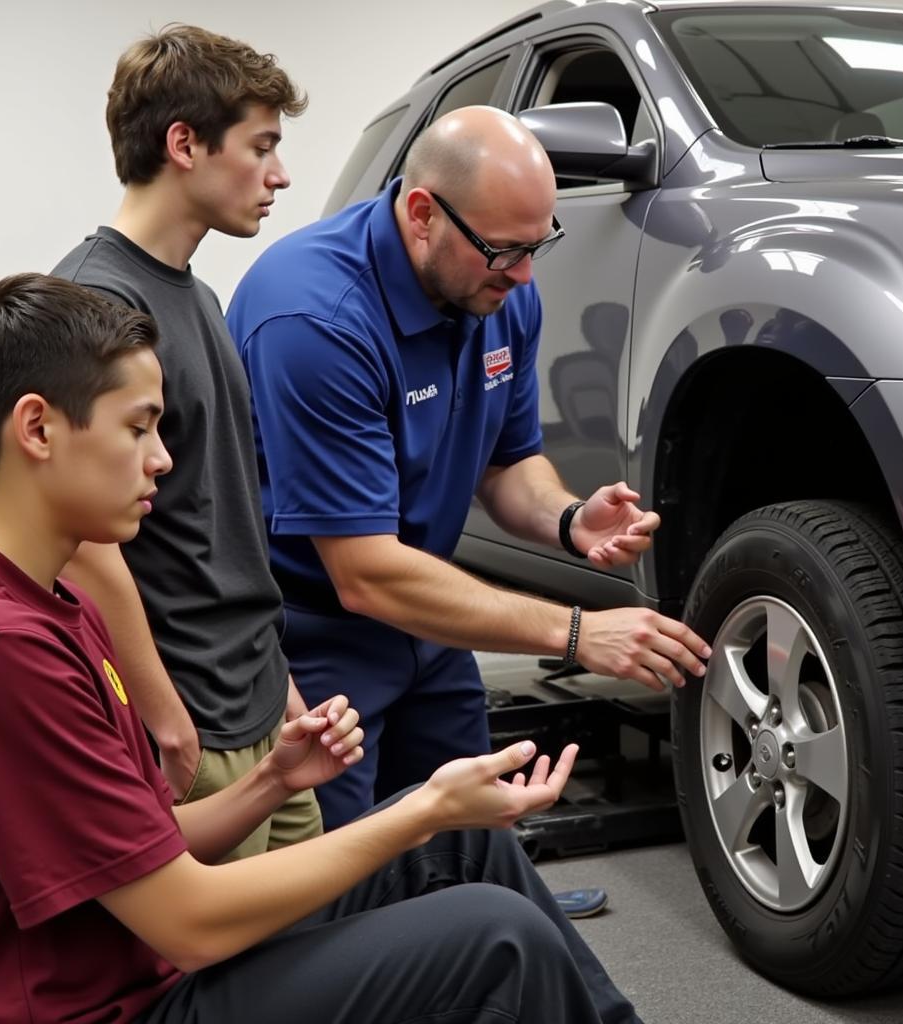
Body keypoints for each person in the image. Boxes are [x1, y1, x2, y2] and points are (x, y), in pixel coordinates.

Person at [0, 272, 645, 1024]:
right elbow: (186, 921)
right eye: (138, 428)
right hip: (119, 1007)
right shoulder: (0, 646)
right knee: (494, 933)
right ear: (37, 428)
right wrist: (422, 813)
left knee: (466, 849)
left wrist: (275, 782)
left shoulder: (57, 602)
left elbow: (144, 843)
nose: (161, 458)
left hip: (154, 970)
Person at [226, 105, 713, 833]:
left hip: (427, 616)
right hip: (315, 633)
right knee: (336, 885)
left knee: (474, 841)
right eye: (503, 251)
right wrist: (580, 634)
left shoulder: (500, 292)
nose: (523, 274)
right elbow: (362, 573)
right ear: (421, 214)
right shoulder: (315, 318)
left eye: (536, 246)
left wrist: (569, 518)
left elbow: (509, 466)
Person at [51, 24, 321, 857]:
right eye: (262, 146)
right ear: (184, 143)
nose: (280, 174)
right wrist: (162, 711)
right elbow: (83, 544)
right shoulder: (95, 302)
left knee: (313, 957)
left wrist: (280, 686)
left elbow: (220, 513)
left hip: (257, 703)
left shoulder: (201, 298)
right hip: (192, 724)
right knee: (230, 980)